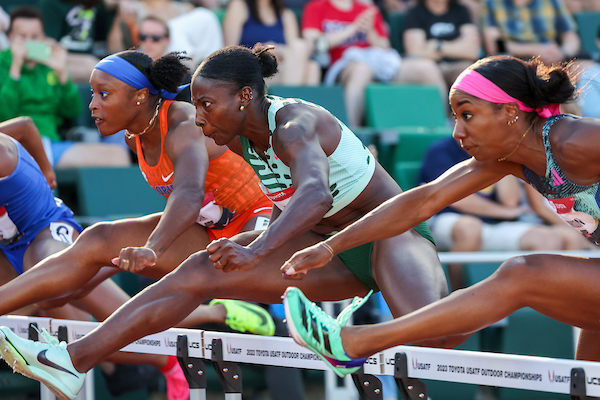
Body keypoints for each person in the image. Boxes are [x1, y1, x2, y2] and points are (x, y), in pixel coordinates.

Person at [0, 43, 465, 399]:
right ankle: (72, 360)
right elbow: (282, 205)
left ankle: (474, 295)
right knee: (198, 271)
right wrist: (251, 241)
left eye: (207, 106)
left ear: (245, 97)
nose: (198, 119)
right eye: (195, 106)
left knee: (438, 338)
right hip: (324, 247)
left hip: (388, 234)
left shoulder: (294, 124)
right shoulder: (238, 135)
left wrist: (255, 246)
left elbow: (315, 194)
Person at [279, 54, 600, 377]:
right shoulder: (510, 157)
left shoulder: (577, 141)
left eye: (468, 115)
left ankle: (354, 342)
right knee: (588, 384)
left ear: (509, 112)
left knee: (524, 273)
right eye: (456, 117)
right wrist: (331, 247)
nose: (457, 132)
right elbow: (422, 201)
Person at [0, 116, 194, 400]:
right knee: (73, 340)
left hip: (46, 233)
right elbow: (24, 126)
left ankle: (215, 316)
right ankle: (162, 360)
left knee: (111, 318)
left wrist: (46, 172)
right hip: (10, 249)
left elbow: (27, 126)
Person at [420, 135, 593, 289]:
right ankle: (455, 297)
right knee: (470, 228)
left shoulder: (492, 152)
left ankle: (538, 310)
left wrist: (499, 155)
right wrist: (502, 212)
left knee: (549, 239)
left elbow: (510, 201)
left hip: (490, 225)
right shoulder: (441, 150)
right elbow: (455, 199)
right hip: (447, 219)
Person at [0, 5, 131, 169]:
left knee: (118, 156)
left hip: (50, 145)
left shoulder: (49, 65)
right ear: (11, 38)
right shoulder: (2, 64)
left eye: (34, 36)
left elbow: (73, 110)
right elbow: (5, 114)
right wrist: (15, 69)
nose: (29, 42)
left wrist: (62, 73)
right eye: (23, 37)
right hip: (10, 146)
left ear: (43, 38)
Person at [301, 0, 449, 127]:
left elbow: (384, 46)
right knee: (362, 70)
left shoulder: (367, 10)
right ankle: (349, 133)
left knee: (427, 67)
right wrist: (352, 29)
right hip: (342, 66)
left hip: (379, 64)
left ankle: (444, 126)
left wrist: (370, 32)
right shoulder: (317, 7)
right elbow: (315, 43)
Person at [223, 0, 321, 85]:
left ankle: (289, 100)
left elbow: (295, 52)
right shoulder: (239, 6)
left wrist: (279, 51)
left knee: (312, 67)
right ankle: (290, 102)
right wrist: (262, 51)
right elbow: (230, 51)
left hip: (279, 66)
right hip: (252, 68)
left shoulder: (285, 14)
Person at [402, 0, 481, 89]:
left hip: (459, 64)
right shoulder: (416, 13)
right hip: (432, 67)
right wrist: (459, 47)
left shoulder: (461, 10)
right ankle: (442, 103)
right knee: (429, 72)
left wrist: (438, 46)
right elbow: (415, 54)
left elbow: (472, 51)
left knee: (470, 74)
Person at [481, 0, 580, 65]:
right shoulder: (491, 3)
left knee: (587, 70)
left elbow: (570, 36)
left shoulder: (552, 2)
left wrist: (562, 53)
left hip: (553, 59)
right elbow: (494, 46)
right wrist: (535, 50)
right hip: (513, 62)